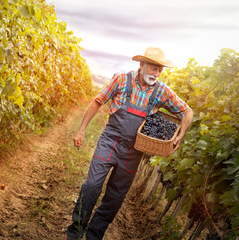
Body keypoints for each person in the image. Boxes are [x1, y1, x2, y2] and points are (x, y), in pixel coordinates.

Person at [66, 47, 193, 240]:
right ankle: (75, 232)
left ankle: (94, 235)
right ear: (141, 65)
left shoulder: (162, 91)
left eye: (160, 70)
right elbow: (98, 101)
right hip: (110, 140)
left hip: (134, 151)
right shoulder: (121, 80)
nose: (156, 73)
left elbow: (187, 112)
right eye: (153, 68)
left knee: (115, 198)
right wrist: (82, 128)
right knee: (91, 186)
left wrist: (180, 134)